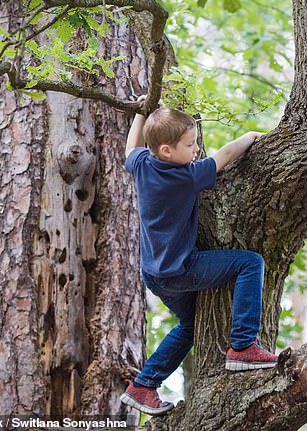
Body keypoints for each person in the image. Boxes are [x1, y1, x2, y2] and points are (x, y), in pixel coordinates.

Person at [120, 96, 278, 416]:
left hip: (154, 274)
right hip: (183, 269)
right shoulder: (186, 177)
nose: (196, 150)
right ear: (167, 150)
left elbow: (129, 150)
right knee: (250, 262)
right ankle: (244, 347)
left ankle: (142, 386)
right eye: (191, 144)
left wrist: (141, 114)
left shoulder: (142, 165)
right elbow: (224, 156)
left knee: (190, 326)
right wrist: (250, 137)